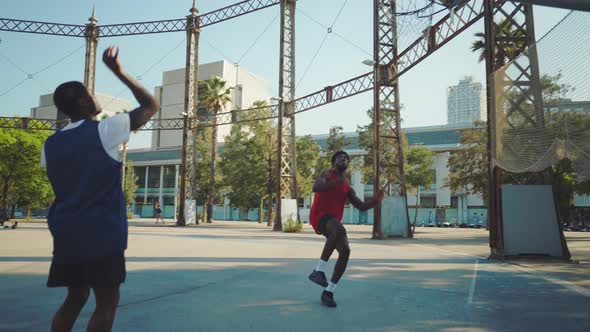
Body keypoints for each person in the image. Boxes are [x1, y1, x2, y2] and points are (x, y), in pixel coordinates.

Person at [41, 46, 159, 332]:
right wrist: (119, 72)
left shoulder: (50, 145)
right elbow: (150, 106)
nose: (95, 97)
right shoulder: (104, 130)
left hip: (68, 234)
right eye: (90, 93)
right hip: (101, 235)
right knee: (106, 303)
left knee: (75, 297)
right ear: (82, 101)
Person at [307, 150, 384, 308]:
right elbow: (316, 187)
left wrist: (376, 200)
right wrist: (336, 182)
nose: (344, 159)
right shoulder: (327, 173)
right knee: (338, 228)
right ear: (334, 162)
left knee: (346, 251)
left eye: (346, 158)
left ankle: (328, 292)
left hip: (333, 223)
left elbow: (361, 206)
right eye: (340, 157)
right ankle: (318, 270)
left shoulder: (347, 187)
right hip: (319, 216)